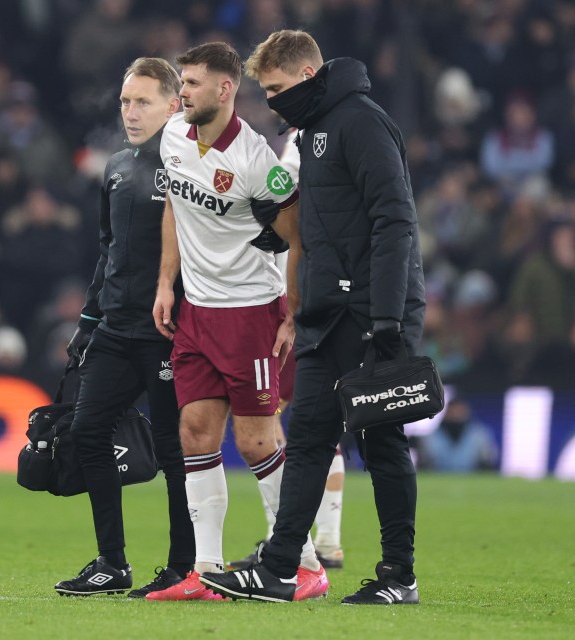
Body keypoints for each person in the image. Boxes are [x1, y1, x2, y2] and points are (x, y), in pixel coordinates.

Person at [200, 29, 426, 605]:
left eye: (275, 89)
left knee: (381, 442)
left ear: (305, 76)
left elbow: (395, 221)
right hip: (327, 311)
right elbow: (319, 232)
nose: (271, 101)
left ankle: (399, 576)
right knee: (306, 440)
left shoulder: (361, 122)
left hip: (371, 312)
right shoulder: (317, 129)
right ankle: (279, 568)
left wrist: (388, 320)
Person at [147, 42, 328, 602]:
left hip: (251, 312)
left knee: (254, 442)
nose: (182, 92)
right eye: (182, 82)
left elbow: (297, 239)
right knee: (195, 434)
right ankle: (205, 573)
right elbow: (174, 206)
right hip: (196, 312)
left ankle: (305, 563)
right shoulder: (174, 135)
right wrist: (165, 284)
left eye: (194, 83)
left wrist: (290, 312)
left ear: (225, 90)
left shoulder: (259, 163)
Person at [53, 57, 195, 598]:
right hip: (116, 328)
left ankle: (184, 564)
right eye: (125, 103)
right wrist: (88, 323)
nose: (130, 113)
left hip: (167, 330)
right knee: (87, 433)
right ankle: (112, 562)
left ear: (173, 104)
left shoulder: (192, 168)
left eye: (143, 102)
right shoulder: (114, 168)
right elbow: (108, 253)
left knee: (173, 450)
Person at [227, 128, 345, 573]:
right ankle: (328, 540)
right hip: (321, 305)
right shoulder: (335, 171)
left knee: (266, 428)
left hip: (281, 311)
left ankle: (284, 538)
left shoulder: (288, 164)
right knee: (320, 429)